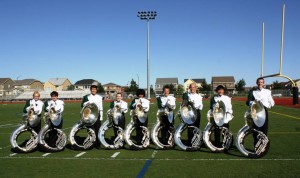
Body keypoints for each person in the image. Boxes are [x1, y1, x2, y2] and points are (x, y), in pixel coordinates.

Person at [246, 77, 275, 147]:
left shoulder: (267, 92)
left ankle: (263, 146)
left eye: (261, 82)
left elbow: (272, 102)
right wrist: (252, 102)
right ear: (257, 83)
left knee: (264, 130)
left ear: (263, 83)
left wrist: (270, 104)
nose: (260, 83)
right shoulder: (252, 92)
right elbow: (247, 102)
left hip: (264, 111)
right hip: (255, 112)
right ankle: (256, 147)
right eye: (259, 82)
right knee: (256, 130)